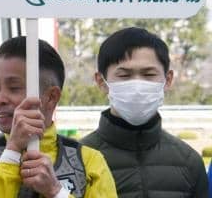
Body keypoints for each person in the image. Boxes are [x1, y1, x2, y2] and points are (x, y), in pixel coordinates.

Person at [0, 36, 116, 198]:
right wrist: (12, 152)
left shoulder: (89, 162)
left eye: (14, 88)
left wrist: (56, 192)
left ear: (51, 97)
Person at [82, 26, 208, 197]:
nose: (137, 87)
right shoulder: (79, 160)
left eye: (149, 74)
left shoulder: (189, 162)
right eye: (124, 75)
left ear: (168, 80)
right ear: (101, 82)